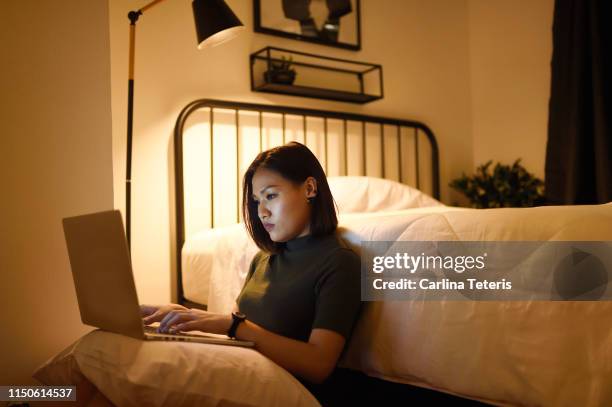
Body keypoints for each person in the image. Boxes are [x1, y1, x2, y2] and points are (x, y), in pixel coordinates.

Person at [141, 141, 363, 405]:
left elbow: (319, 364)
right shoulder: (264, 258)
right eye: (257, 201)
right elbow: (236, 328)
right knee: (112, 354)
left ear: (310, 188)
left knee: (114, 364)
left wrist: (235, 325)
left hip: (287, 390)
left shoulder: (339, 262)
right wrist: (182, 316)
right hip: (244, 372)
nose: (261, 212)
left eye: (271, 196)